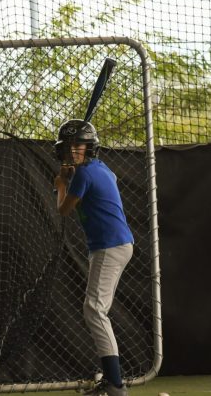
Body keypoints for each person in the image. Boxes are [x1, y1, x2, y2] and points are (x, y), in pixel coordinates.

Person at [53, 119, 134, 396]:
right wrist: (67, 180)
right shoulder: (99, 170)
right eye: (69, 147)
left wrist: (62, 182)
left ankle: (115, 384)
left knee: (94, 310)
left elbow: (63, 210)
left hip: (109, 246)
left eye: (79, 146)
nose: (73, 151)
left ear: (89, 148)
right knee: (96, 309)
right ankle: (112, 382)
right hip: (115, 245)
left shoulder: (85, 174)